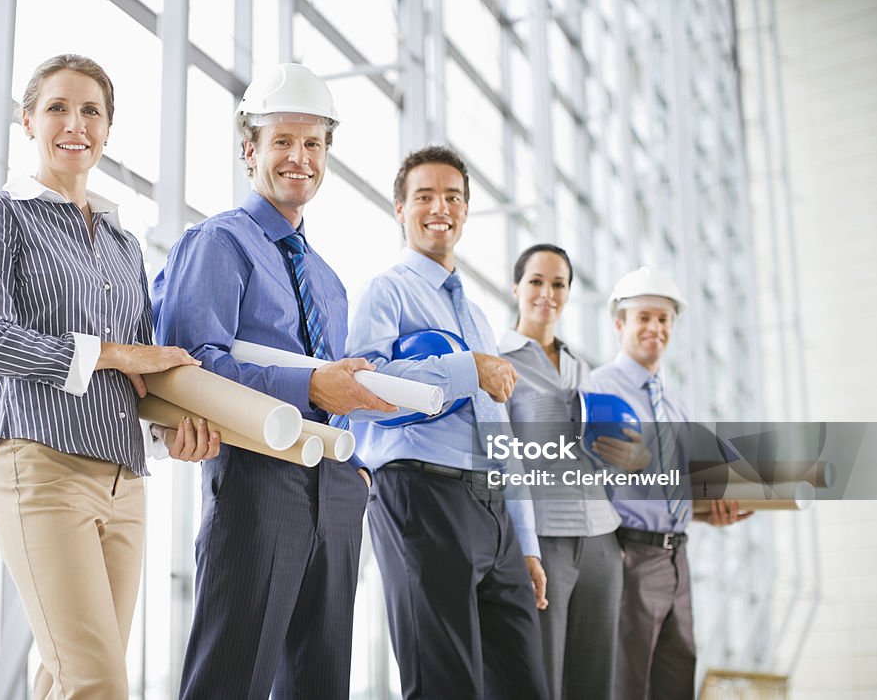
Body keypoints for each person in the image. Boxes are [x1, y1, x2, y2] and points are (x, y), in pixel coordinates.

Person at [0, 54, 219, 700]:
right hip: (41, 467)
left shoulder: (125, 245)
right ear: (28, 121)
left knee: (66, 678)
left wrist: (173, 434)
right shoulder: (0, 215)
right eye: (57, 108)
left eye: (90, 111)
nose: (75, 123)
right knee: (96, 680)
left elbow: (145, 372)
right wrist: (115, 353)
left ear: (107, 127)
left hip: (124, 480)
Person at [152, 63, 394, 700]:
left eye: (313, 143)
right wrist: (310, 393)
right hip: (258, 483)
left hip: (336, 488)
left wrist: (355, 471)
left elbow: (337, 386)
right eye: (282, 141)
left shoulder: (331, 282)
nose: (299, 158)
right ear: (249, 150)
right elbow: (187, 369)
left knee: (321, 686)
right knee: (231, 679)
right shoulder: (218, 244)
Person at [347, 146, 549, 699]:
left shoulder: (477, 316)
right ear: (400, 209)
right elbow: (361, 388)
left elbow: (499, 431)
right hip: (421, 495)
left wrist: (525, 541)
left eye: (453, 197)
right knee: (444, 685)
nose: (441, 207)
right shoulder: (385, 291)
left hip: (492, 511)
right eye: (425, 196)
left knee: (526, 685)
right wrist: (466, 369)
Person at [589, 266, 750, 699]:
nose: (655, 328)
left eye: (664, 320)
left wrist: (706, 512)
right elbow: (597, 481)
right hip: (630, 554)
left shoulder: (675, 403)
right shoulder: (600, 390)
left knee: (676, 679)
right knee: (628, 683)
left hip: (677, 556)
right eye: (644, 317)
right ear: (620, 324)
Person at [499, 243, 649, 700]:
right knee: (542, 678)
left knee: (595, 681)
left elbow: (600, 452)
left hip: (603, 541)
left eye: (558, 284)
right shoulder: (499, 360)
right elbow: (498, 456)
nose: (548, 293)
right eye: (537, 282)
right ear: (516, 288)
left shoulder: (581, 367)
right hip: (544, 539)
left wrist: (631, 460)